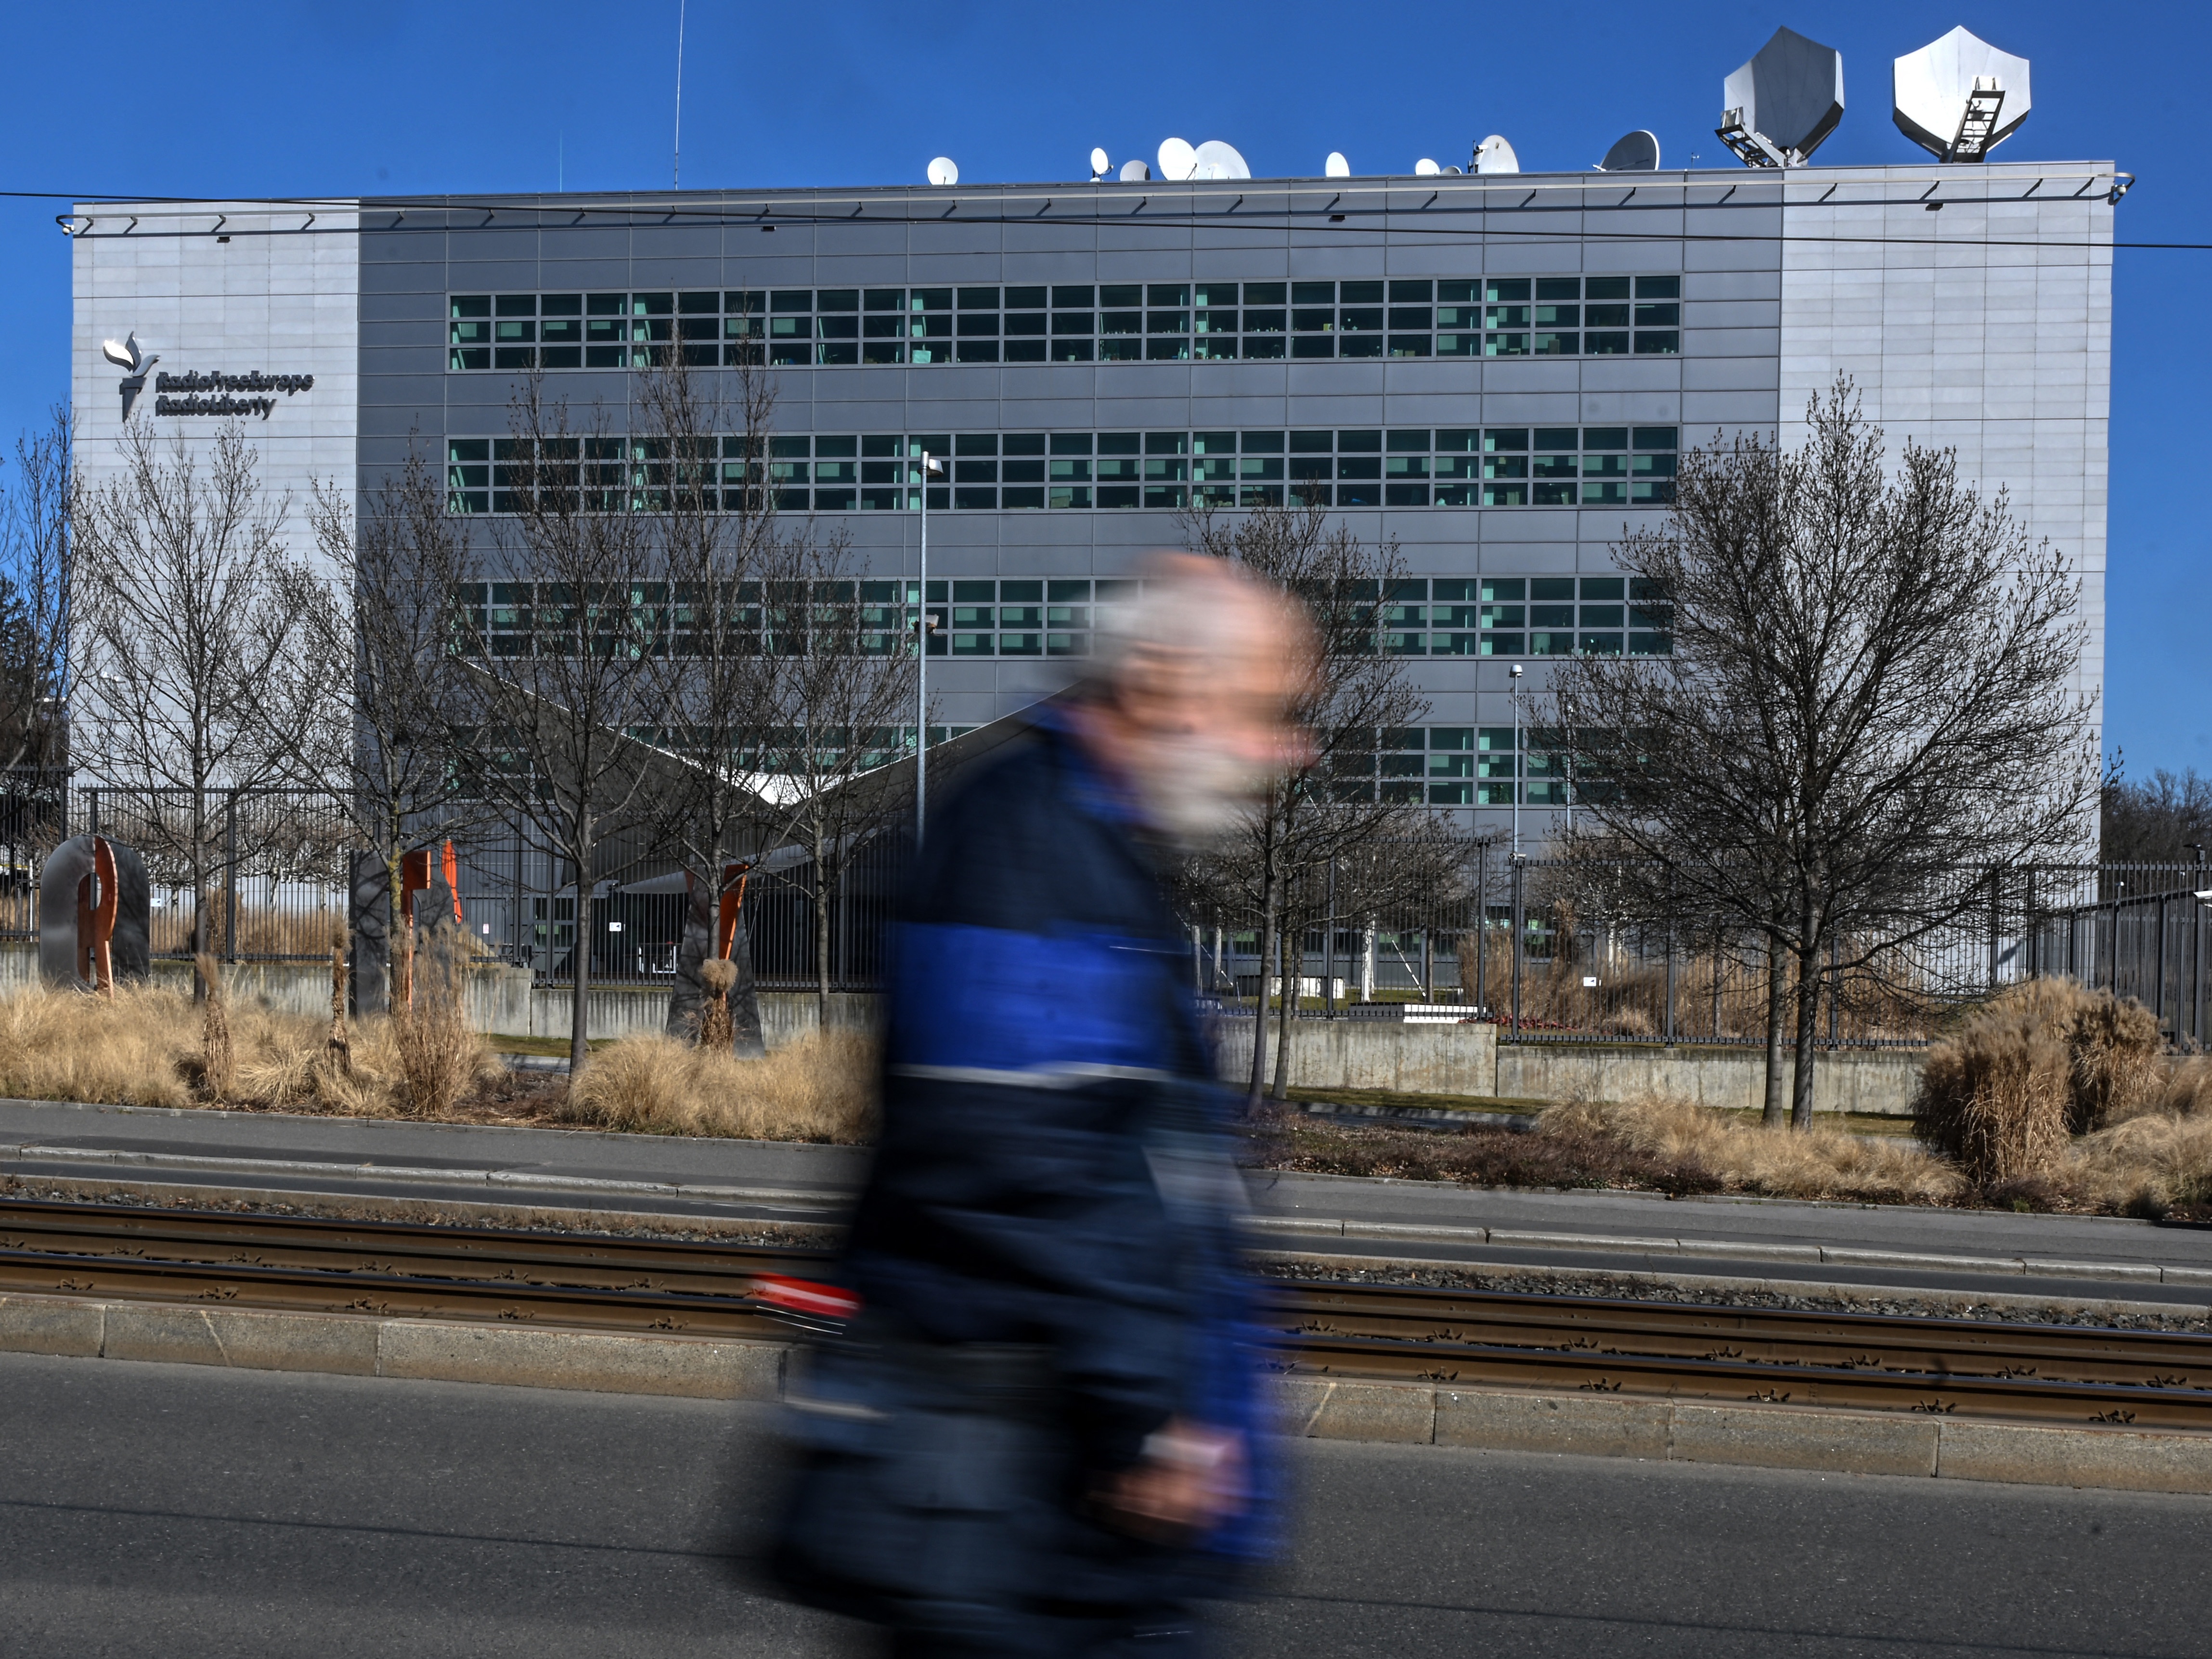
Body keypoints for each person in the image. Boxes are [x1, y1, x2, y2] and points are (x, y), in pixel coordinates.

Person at [771, 554, 1314, 1656]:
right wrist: (1142, 1414)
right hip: (1027, 1493)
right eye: (1264, 711)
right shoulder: (1023, 845)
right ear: (1162, 681)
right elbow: (1009, 1159)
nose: (1284, 749)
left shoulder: (1090, 847)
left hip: (1059, 1493)